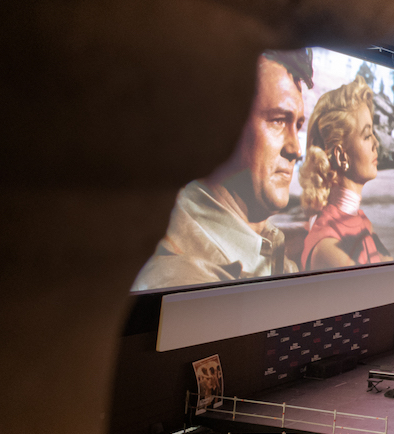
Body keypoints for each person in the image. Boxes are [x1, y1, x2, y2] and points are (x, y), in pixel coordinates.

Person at [132, 50, 311, 290]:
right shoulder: (181, 278)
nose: (296, 149)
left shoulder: (275, 253)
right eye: (278, 120)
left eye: (298, 125)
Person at [300, 75, 394, 270]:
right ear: (342, 156)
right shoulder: (328, 246)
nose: (376, 143)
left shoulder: (361, 221)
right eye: (367, 135)